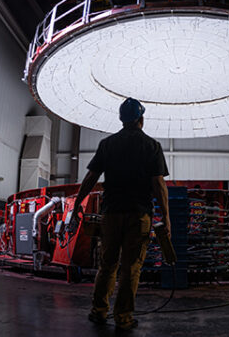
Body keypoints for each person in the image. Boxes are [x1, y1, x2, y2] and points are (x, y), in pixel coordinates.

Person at [72, 97, 171, 331]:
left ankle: (98, 311)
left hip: (111, 214)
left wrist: (78, 202)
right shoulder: (151, 146)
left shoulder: (107, 144)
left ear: (121, 119)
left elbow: (91, 178)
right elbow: (158, 184)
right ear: (141, 119)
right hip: (139, 215)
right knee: (130, 268)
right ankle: (123, 317)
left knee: (107, 265)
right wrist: (166, 217)